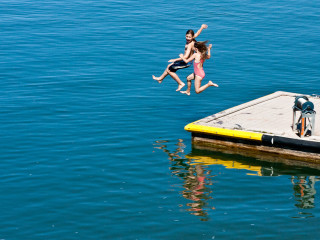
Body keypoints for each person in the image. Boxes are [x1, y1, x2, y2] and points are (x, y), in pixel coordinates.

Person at [152, 24, 208, 91]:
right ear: (186, 35)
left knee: (169, 70)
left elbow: (185, 56)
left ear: (192, 37)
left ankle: (180, 83)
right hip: (184, 60)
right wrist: (202, 27)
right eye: (187, 36)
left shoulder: (190, 44)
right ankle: (160, 78)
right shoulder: (192, 39)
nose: (188, 38)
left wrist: (175, 59)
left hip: (186, 62)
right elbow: (197, 33)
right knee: (169, 66)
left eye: (189, 37)